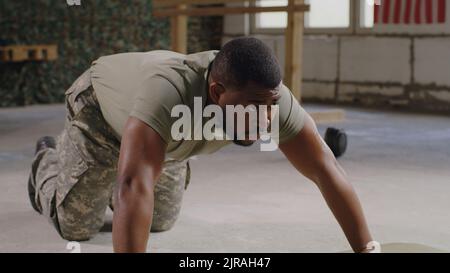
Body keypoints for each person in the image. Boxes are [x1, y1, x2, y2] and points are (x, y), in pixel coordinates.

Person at [28, 37, 375, 253]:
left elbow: (324, 167)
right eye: (256, 106)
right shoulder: (167, 94)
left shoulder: (269, 99)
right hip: (101, 113)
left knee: (158, 221)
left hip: (163, 138)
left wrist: (367, 249)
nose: (267, 119)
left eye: (271, 105)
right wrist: (128, 181)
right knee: (77, 225)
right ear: (217, 92)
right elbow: (133, 186)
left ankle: (138, 161)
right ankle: (49, 157)